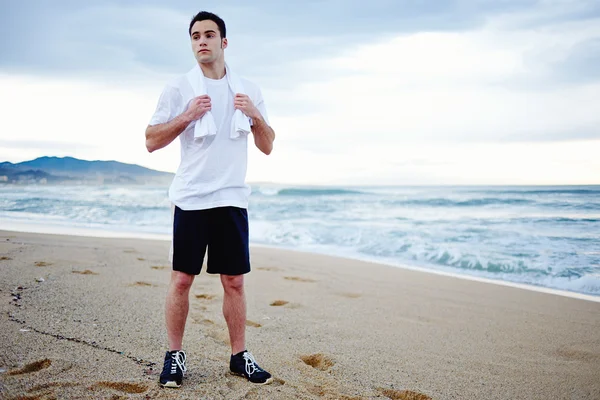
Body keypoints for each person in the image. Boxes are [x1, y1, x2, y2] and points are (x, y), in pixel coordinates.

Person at [145, 10, 275, 388]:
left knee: (234, 282)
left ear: (224, 42)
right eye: (195, 36)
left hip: (232, 198)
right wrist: (186, 116)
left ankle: (239, 357)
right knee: (182, 279)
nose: (201, 41)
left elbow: (267, 145)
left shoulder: (247, 90)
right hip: (191, 198)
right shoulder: (179, 88)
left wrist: (254, 116)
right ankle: (174, 356)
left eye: (209, 35)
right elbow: (151, 140)